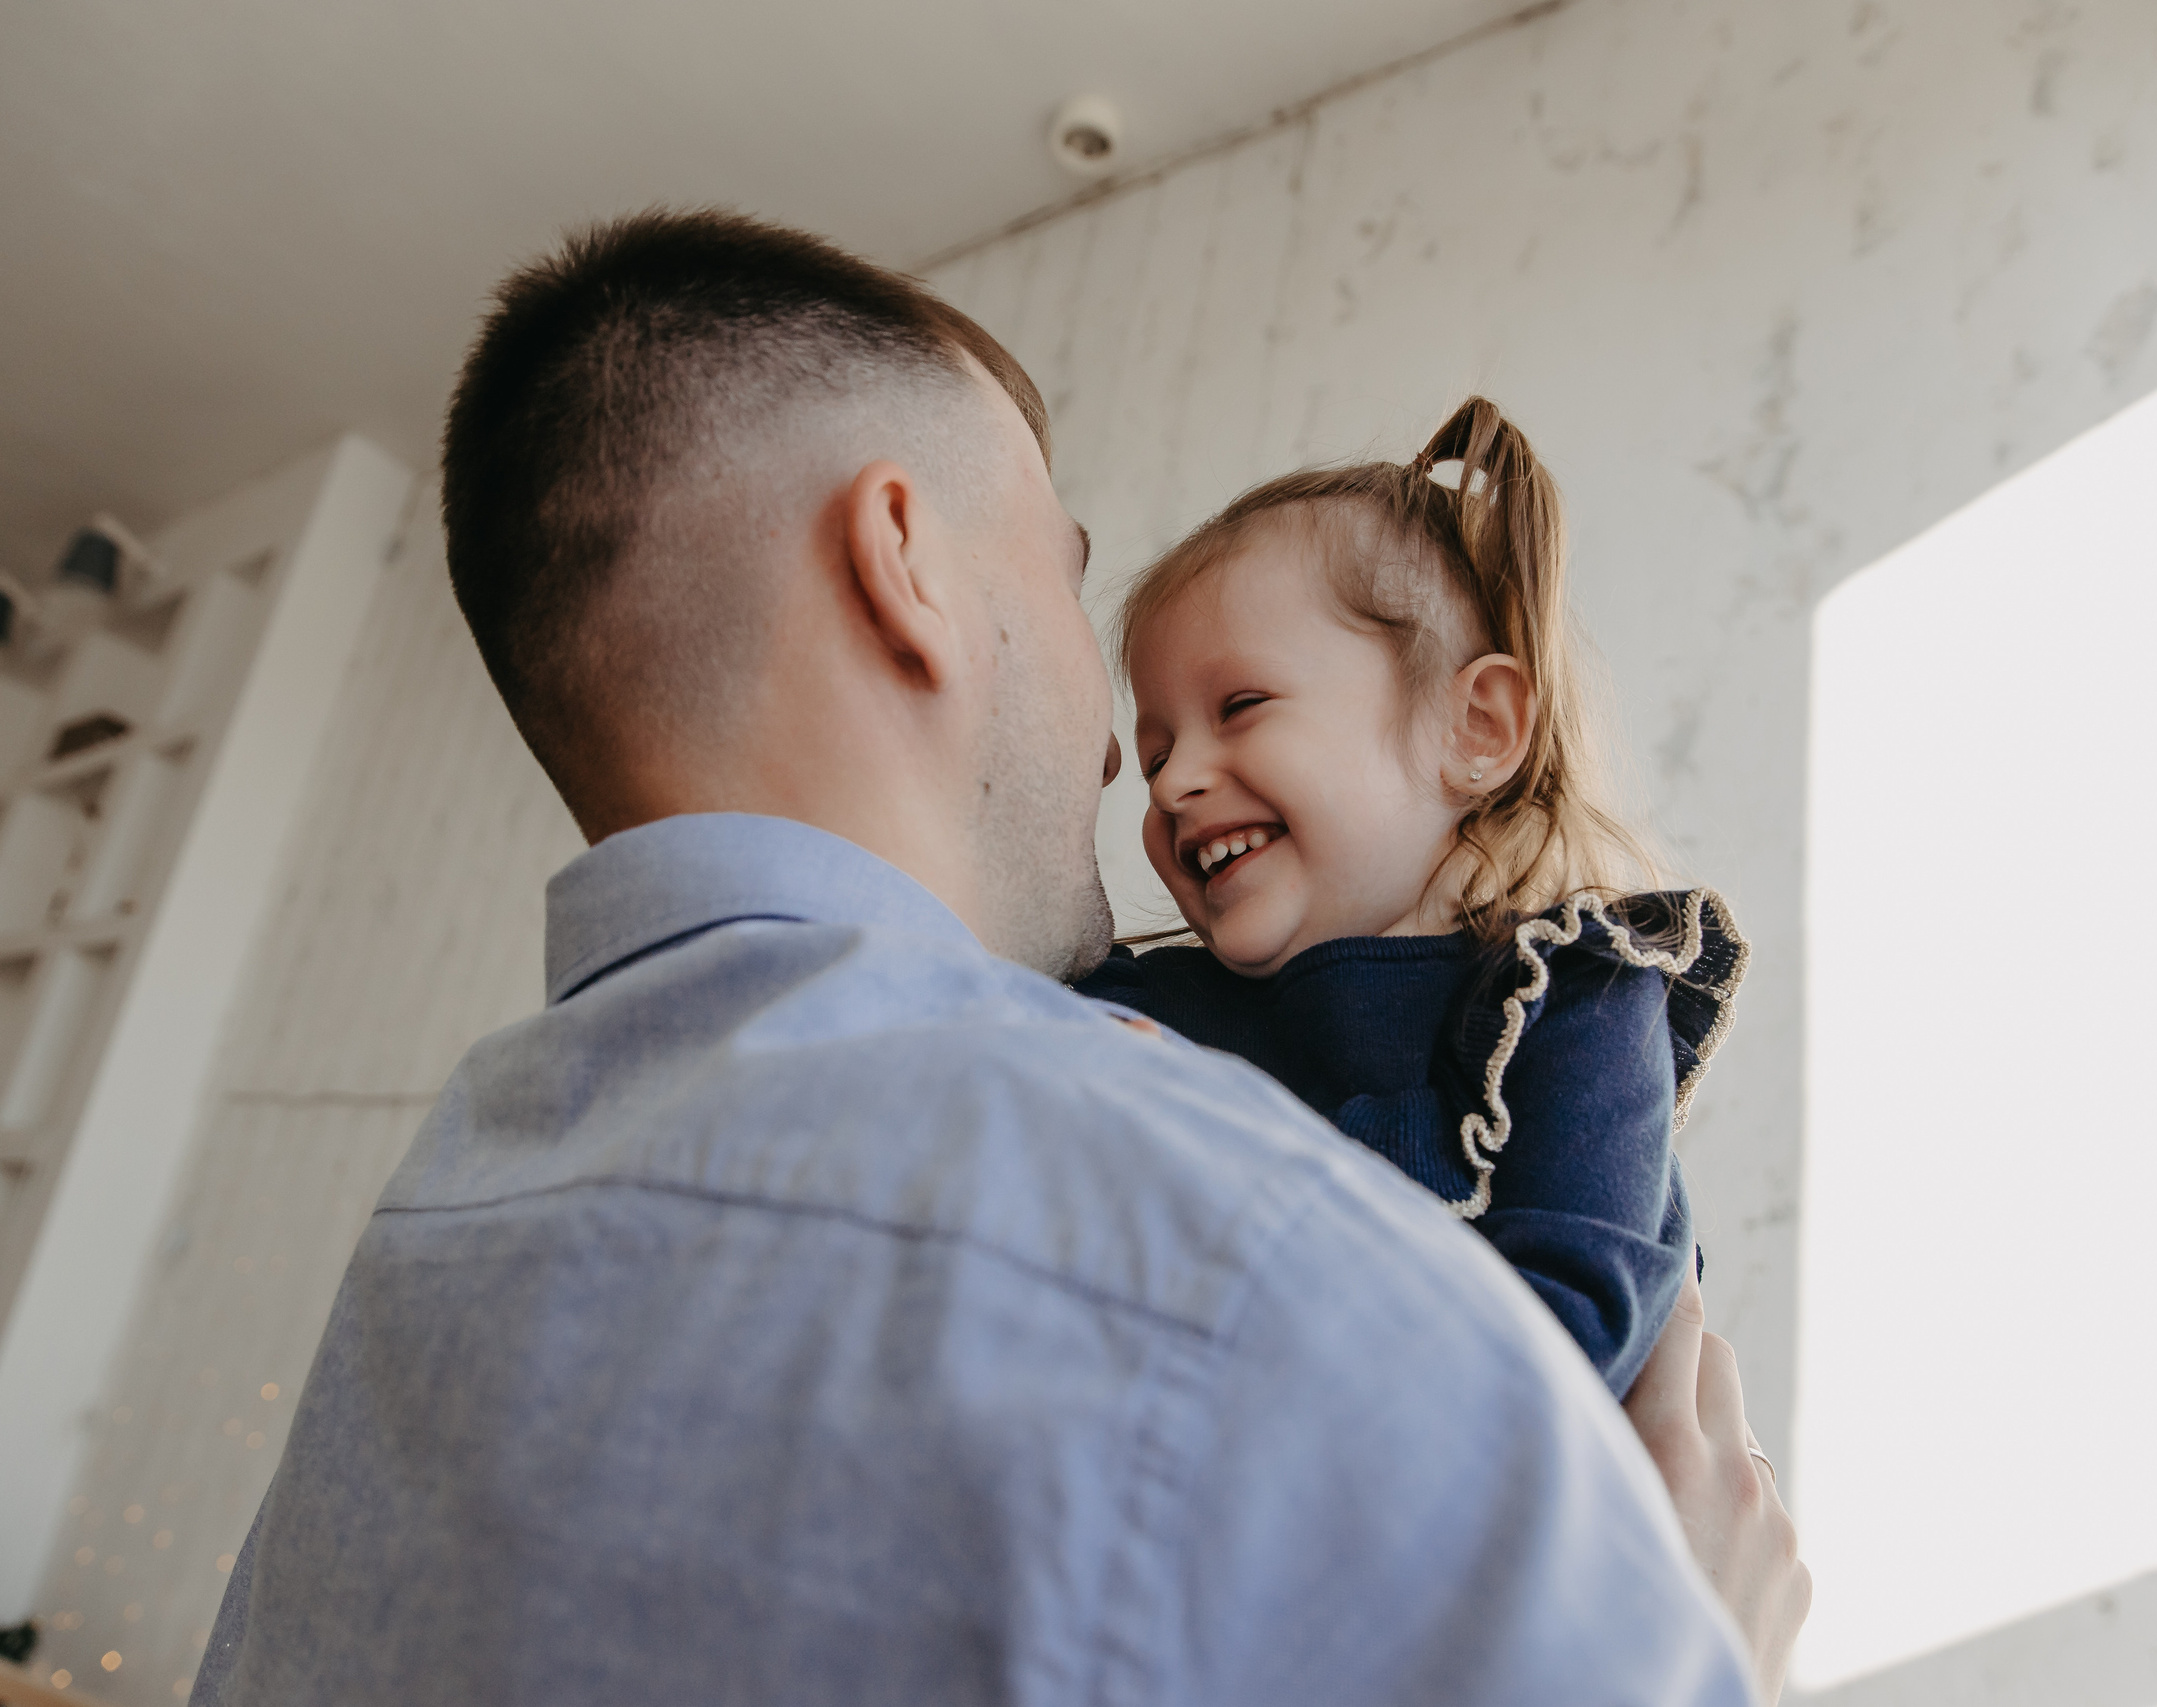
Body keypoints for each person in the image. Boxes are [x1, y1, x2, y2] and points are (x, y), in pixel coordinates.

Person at [193, 209, 1805, 1706]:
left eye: (1234, 708)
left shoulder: (415, 1269)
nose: (1136, 763)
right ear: (906, 561)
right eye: (1064, 566)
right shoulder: (1210, 1226)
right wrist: (1685, 1642)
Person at [1077, 396, 1743, 1399]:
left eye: (1241, 708)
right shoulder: (1144, 1010)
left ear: (1475, 726)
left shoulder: (1574, 1001)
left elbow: (1577, 1323)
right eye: (1158, 752)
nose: (1171, 783)